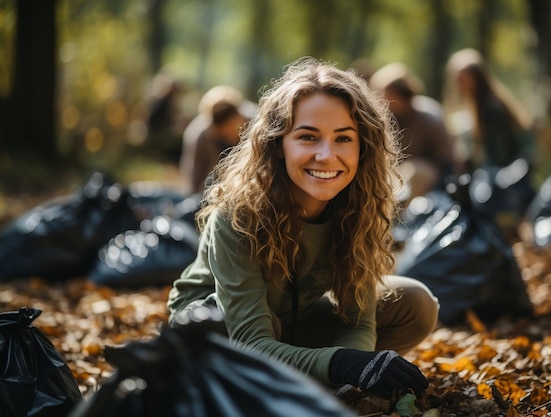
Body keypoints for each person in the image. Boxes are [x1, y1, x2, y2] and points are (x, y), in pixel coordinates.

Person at [167, 57, 439, 399]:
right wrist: (341, 363)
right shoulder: (238, 215)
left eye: (343, 139)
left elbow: (358, 320)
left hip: (296, 324)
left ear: (362, 147)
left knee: (414, 303)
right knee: (222, 328)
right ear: (278, 143)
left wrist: (358, 369)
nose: (327, 156)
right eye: (308, 137)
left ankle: (302, 381)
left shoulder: (361, 205)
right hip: (224, 333)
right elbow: (251, 341)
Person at [369, 62, 458, 199]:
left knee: (415, 173)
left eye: (386, 95)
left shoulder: (430, 118)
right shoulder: (384, 118)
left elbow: (447, 160)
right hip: (395, 172)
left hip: (427, 175)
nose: (382, 100)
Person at [442, 48, 536, 174]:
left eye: (463, 79)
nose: (459, 84)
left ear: (477, 78)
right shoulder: (470, 106)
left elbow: (499, 155)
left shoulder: (492, 109)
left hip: (506, 174)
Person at [179, 85, 257, 195]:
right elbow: (194, 174)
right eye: (225, 134)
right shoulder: (198, 135)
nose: (232, 138)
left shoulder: (257, 123)